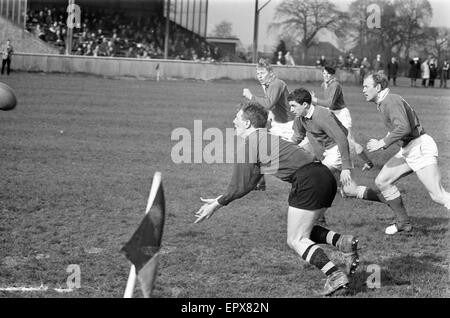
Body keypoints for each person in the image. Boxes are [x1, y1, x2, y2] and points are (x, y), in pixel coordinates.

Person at [194, 102, 359, 296]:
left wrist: (216, 204)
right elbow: (249, 182)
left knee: (296, 239)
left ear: (247, 124)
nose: (233, 121)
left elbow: (239, 185)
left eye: (237, 118)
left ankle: (334, 275)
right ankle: (343, 242)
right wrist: (227, 196)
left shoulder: (251, 143)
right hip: (324, 176)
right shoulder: (267, 138)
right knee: (303, 229)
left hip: (309, 181)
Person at [362, 72, 450, 234]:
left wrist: (382, 143)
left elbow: (404, 128)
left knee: (438, 195)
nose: (363, 90)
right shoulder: (383, 102)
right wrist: (384, 140)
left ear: (378, 87)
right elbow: (399, 128)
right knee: (382, 181)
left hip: (420, 148)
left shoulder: (390, 101)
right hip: (408, 149)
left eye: (366, 86)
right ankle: (403, 222)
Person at [243, 58, 307, 191]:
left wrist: (251, 97)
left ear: (271, 73)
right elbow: (272, 105)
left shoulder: (277, 83)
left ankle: (325, 180)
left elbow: (269, 103)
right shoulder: (268, 84)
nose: (259, 76)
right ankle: (259, 183)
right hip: (279, 125)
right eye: (258, 73)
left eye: (262, 73)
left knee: (304, 157)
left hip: (290, 126)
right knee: (257, 146)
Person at [311, 66, 374, 171]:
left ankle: (367, 163)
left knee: (350, 142)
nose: (325, 75)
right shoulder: (326, 84)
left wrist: (314, 99)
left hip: (342, 114)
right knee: (333, 139)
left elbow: (330, 103)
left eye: (328, 74)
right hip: (333, 114)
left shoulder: (335, 85)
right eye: (324, 73)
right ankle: (336, 161)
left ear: (333, 75)